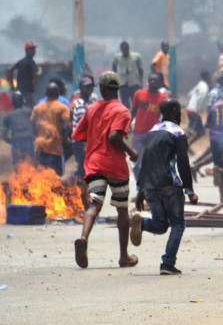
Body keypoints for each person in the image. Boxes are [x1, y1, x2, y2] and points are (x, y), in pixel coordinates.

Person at [72, 71, 139, 269]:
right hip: (115, 166)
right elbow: (114, 137)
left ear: (101, 89)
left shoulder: (91, 109)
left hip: (93, 164)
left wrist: (94, 139)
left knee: (94, 204)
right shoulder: (122, 111)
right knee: (122, 209)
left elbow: (78, 135)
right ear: (117, 89)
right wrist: (131, 151)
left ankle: (83, 238)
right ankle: (123, 256)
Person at [130, 98, 198, 275]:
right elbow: (183, 162)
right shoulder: (177, 132)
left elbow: (145, 160)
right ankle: (167, 263)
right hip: (170, 185)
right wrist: (190, 191)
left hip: (151, 186)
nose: (181, 114)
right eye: (180, 110)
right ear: (175, 110)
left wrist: (141, 189)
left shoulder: (152, 131)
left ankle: (143, 224)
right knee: (178, 224)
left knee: (161, 224)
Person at [130, 73, 168, 181]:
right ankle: (140, 189)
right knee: (135, 163)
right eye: (150, 80)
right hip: (138, 134)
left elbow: (166, 116)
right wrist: (128, 124)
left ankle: (148, 190)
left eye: (155, 80)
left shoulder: (163, 98)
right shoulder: (138, 94)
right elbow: (133, 111)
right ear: (147, 81)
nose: (152, 82)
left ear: (160, 83)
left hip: (153, 135)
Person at [30, 82, 70, 176]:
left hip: (39, 146)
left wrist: (36, 136)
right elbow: (65, 126)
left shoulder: (37, 108)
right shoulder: (63, 108)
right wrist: (65, 138)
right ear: (58, 94)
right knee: (56, 176)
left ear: (46, 94)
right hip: (54, 146)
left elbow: (31, 124)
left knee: (40, 176)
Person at [70, 77, 96, 179]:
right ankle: (65, 183)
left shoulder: (91, 102)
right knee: (83, 170)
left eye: (90, 87)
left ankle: (83, 192)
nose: (89, 89)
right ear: (81, 88)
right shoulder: (78, 103)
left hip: (88, 141)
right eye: (86, 87)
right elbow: (84, 123)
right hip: (80, 142)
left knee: (87, 169)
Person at [2, 91, 35, 167]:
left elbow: (3, 134)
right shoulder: (29, 112)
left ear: (12, 103)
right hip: (29, 142)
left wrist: (10, 141)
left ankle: (19, 178)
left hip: (17, 143)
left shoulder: (8, 116)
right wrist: (34, 136)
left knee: (18, 166)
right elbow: (36, 125)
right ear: (23, 101)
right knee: (32, 165)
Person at [112, 41, 144, 110]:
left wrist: (141, 82)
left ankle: (134, 118)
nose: (125, 50)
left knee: (135, 102)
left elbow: (140, 69)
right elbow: (114, 65)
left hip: (134, 82)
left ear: (128, 48)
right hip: (123, 83)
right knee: (125, 103)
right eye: (123, 49)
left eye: (126, 49)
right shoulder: (117, 57)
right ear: (121, 49)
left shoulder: (136, 56)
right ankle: (127, 118)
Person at [5, 41, 38, 107]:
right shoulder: (31, 62)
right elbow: (35, 75)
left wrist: (11, 86)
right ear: (27, 50)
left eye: (34, 49)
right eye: (31, 49)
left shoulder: (21, 61)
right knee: (30, 110)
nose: (33, 51)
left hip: (19, 91)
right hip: (28, 92)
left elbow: (9, 69)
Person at [186, 71, 210, 152]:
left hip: (190, 109)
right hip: (194, 111)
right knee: (191, 132)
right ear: (207, 77)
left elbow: (189, 94)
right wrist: (197, 112)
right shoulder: (205, 87)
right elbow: (200, 99)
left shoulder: (199, 84)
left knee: (201, 131)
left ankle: (187, 145)